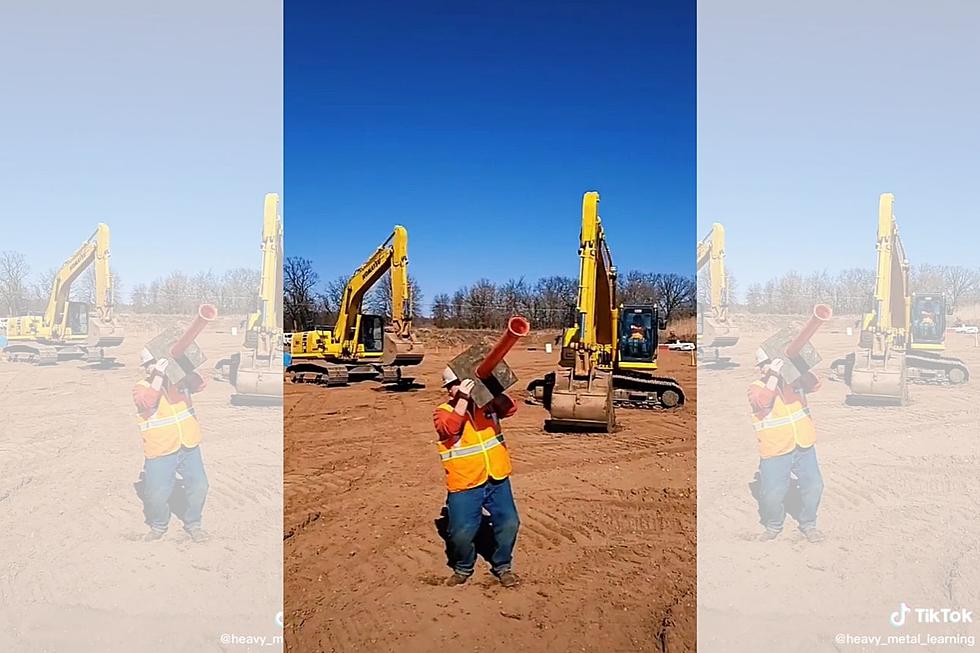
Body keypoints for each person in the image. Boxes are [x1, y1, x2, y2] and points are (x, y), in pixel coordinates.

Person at [432, 367, 521, 588]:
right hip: (465, 482)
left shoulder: (486, 404)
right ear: (448, 390)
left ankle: (502, 565)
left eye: (462, 383)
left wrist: (491, 388)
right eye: (454, 386)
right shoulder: (442, 411)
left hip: (496, 476)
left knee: (509, 523)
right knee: (460, 533)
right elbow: (449, 429)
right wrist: (462, 400)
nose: (459, 388)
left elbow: (510, 409)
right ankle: (463, 566)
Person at [746, 348, 824, 543]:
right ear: (760, 368)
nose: (769, 367)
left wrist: (798, 365)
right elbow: (762, 403)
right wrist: (773, 376)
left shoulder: (793, 380)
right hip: (776, 448)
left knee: (814, 486)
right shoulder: (755, 387)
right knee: (771, 495)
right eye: (765, 365)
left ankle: (809, 524)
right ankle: (773, 525)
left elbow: (815, 385)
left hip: (803, 443)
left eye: (772, 363)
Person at [133, 347, 210, 543]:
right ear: (145, 367)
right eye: (150, 364)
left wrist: (185, 365)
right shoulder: (140, 387)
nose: (154, 366)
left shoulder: (179, 380)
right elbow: (147, 403)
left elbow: (200, 385)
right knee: (156, 494)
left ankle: (194, 524)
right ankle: (158, 525)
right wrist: (158, 376)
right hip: (160, 448)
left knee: (199, 485)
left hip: (188, 444)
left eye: (157, 362)